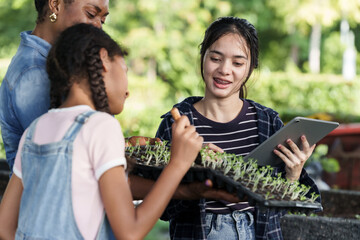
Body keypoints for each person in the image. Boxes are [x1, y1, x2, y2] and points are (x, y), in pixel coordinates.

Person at [0, 23, 205, 240]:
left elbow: (4, 227)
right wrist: (178, 164)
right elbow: (130, 232)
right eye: (125, 70)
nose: (127, 91)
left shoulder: (35, 129)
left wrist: (185, 192)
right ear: (104, 60)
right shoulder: (100, 126)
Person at [156, 16, 320, 240]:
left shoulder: (268, 123)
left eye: (238, 63)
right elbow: (162, 209)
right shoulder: (177, 124)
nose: (224, 70)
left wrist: (293, 175)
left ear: (250, 68)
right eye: (215, 58)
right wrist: (195, 176)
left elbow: (291, 210)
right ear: (203, 57)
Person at [0, 0, 110, 173]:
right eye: (90, 14)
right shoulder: (34, 73)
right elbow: (63, 165)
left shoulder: (55, 63)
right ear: (55, 5)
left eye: (102, 20)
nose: (98, 27)